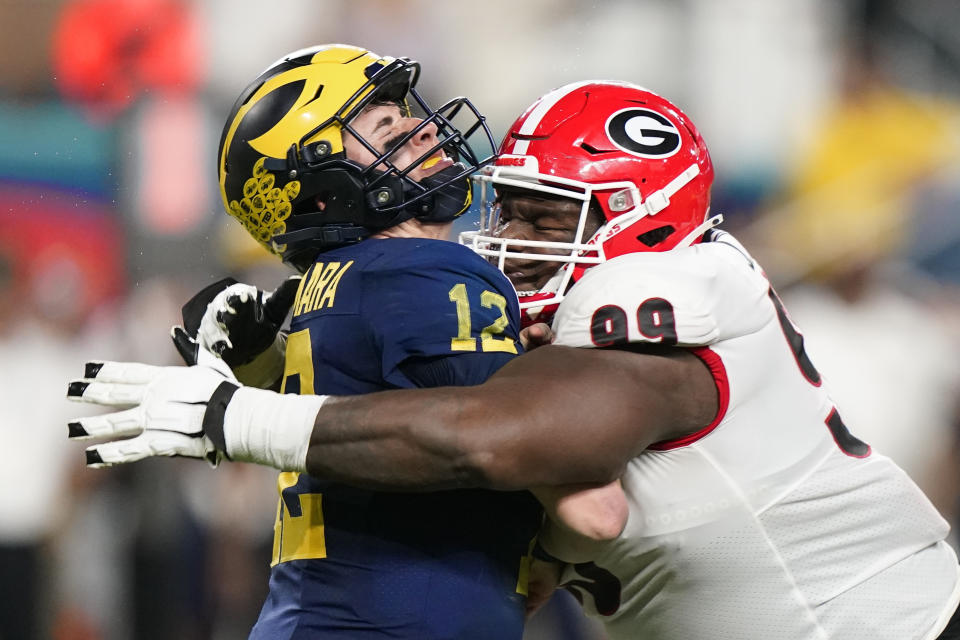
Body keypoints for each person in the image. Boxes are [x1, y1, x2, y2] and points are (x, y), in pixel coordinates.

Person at [68, 80, 960, 639]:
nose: (504, 241)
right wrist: (276, 354)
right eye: (509, 211)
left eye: (542, 217)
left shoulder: (666, 287)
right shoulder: (564, 326)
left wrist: (239, 419)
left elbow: (495, 442)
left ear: (634, 214)